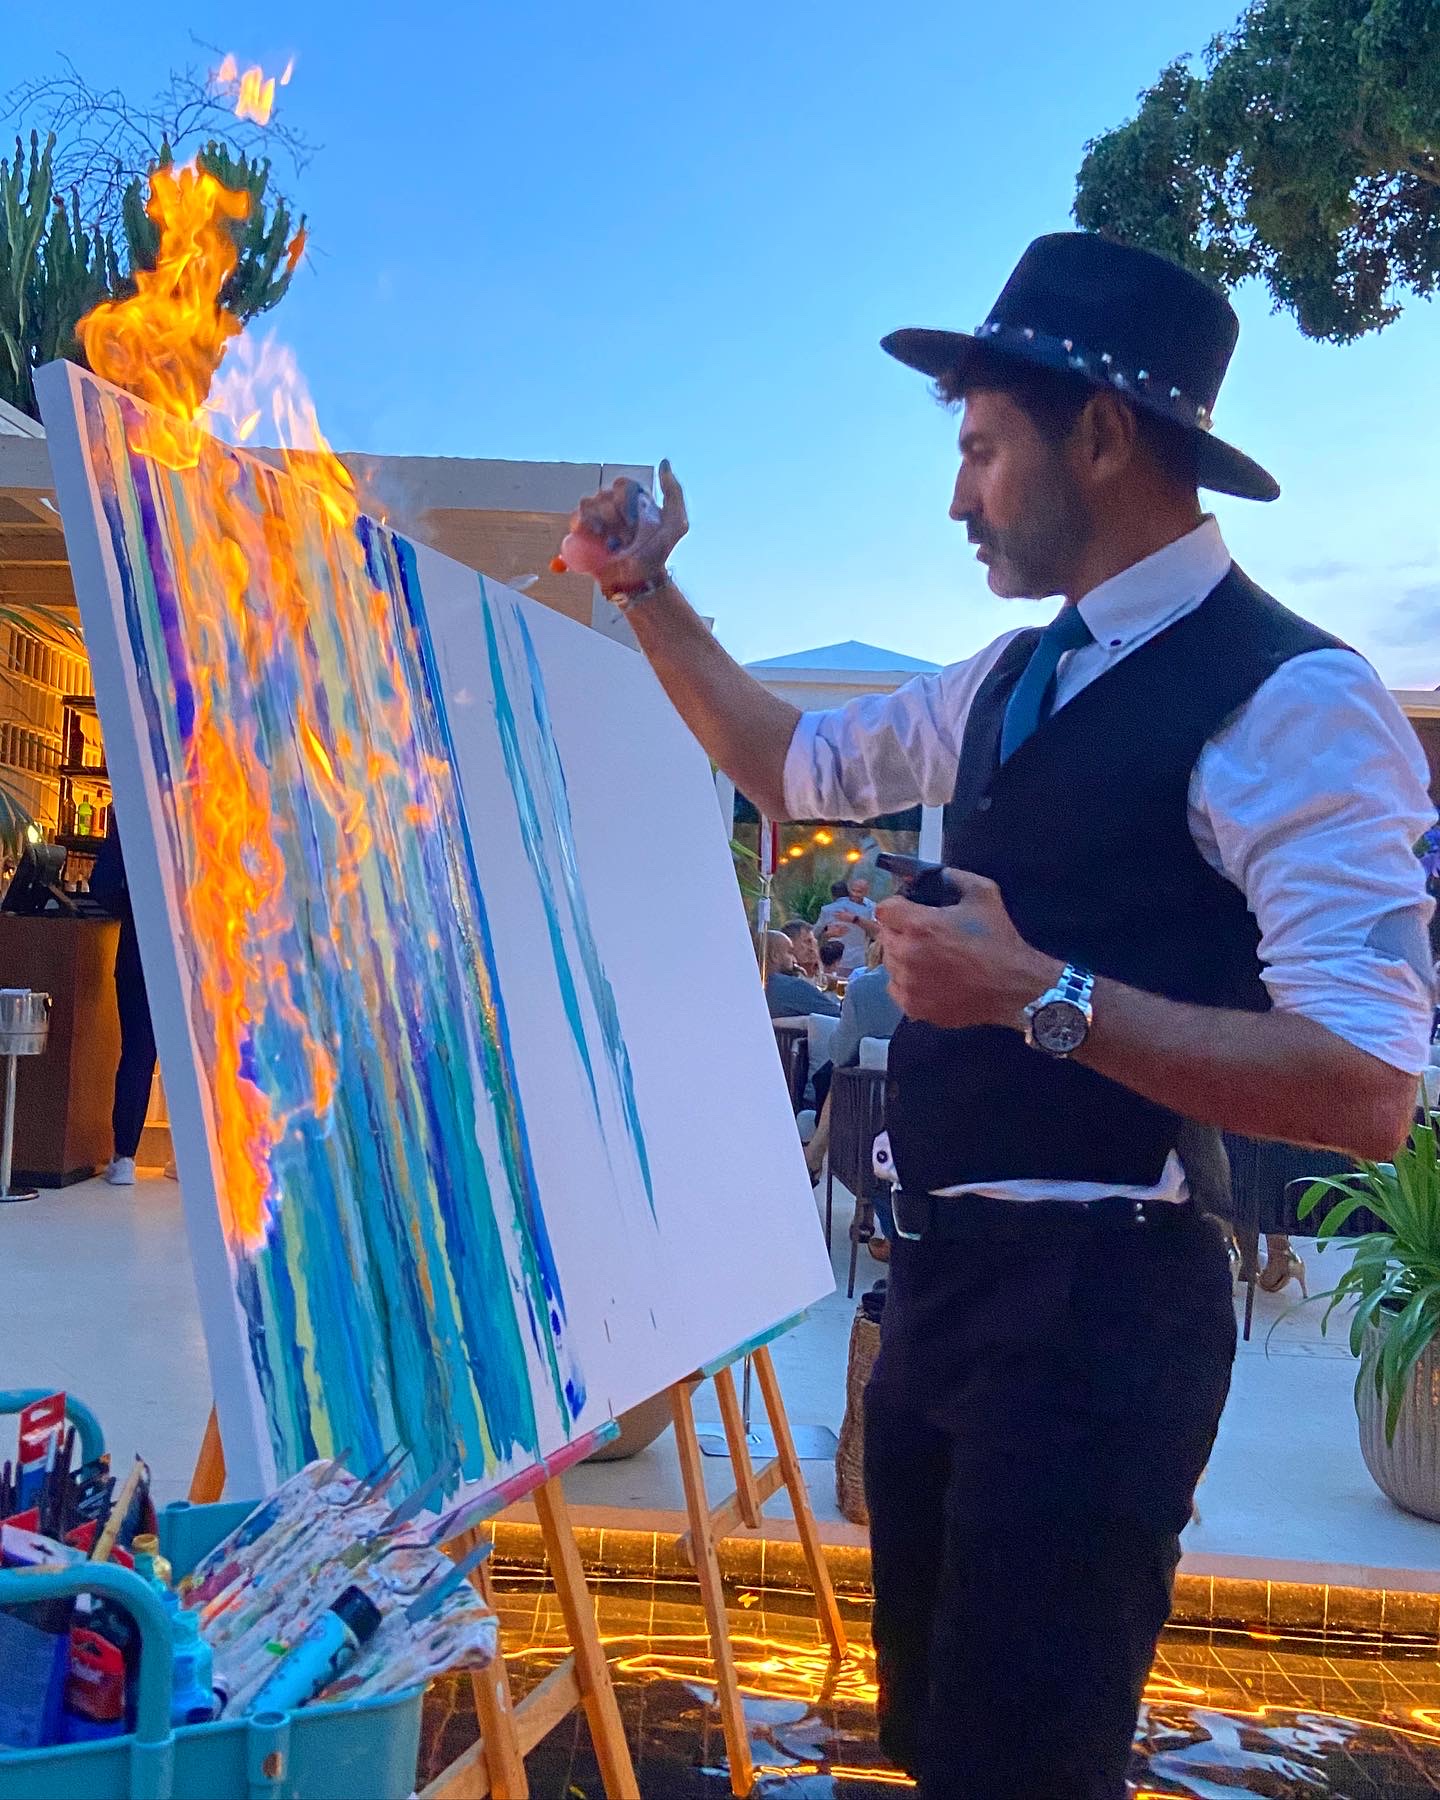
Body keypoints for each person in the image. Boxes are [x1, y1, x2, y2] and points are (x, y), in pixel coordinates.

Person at [564, 232, 1433, 1799]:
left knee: (1023, 1768)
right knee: (937, 1748)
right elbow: (787, 762)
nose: (958, 497)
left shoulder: (1297, 701)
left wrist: (1041, 998)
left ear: (1097, 436)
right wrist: (642, 589)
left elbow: (1368, 1086)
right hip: (940, 1297)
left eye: (981, 449)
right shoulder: (1005, 678)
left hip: (1101, 1318)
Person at [88, 826, 157, 1188]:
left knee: (137, 1055)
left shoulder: (133, 816)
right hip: (195, 957)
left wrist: (134, 907)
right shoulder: (202, 812)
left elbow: (102, 886)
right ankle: (192, 1156)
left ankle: (125, 1156)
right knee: (194, 1058)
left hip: (139, 953)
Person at [759, 930, 841, 1021]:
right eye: (790, 953)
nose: (794, 960)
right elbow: (840, 1016)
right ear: (774, 956)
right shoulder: (790, 986)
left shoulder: (755, 987)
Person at [816, 872, 879, 973]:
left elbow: (877, 933)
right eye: (853, 890)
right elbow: (816, 934)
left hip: (856, 960)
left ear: (866, 892)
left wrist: (855, 919)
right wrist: (828, 933)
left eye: (859, 892)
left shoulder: (870, 908)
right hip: (833, 958)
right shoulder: (831, 909)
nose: (855, 894)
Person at [781, 917, 823, 982]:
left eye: (814, 942)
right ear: (790, 943)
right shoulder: (785, 978)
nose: (812, 948)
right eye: (808, 941)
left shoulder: (819, 973)